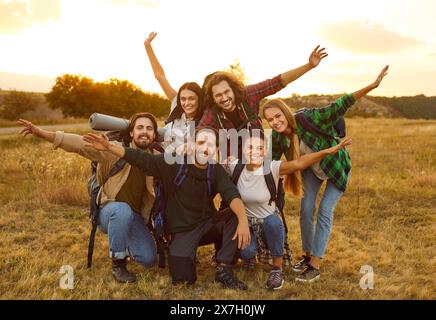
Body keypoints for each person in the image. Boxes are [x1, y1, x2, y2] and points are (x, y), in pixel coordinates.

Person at [82, 127, 252, 290]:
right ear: (192, 144)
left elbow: (232, 194)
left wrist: (243, 221)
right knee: (183, 279)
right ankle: (184, 255)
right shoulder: (173, 163)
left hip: (207, 225)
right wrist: (109, 147)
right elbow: (141, 158)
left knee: (235, 214)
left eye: (210, 144)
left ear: (216, 149)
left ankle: (223, 268)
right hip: (181, 230)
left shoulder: (215, 170)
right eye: (201, 142)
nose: (205, 148)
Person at [262, 65, 389, 282]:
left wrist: (372, 85)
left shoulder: (310, 118)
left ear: (284, 111)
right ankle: (307, 255)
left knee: (324, 211)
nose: (275, 122)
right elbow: (268, 164)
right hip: (313, 170)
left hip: (336, 168)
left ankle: (315, 266)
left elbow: (341, 104)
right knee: (306, 208)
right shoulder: (278, 137)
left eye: (277, 116)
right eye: (270, 120)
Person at [17, 113, 160, 283]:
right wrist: (41, 133)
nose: (144, 132)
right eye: (140, 128)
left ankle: (123, 239)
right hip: (110, 209)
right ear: (131, 133)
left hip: (134, 216)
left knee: (149, 259)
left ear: (154, 135)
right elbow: (79, 144)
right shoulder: (113, 149)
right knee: (122, 210)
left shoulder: (155, 157)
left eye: (149, 128)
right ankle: (118, 264)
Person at [227, 130, 352, 290]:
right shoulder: (234, 166)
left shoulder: (272, 168)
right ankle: (250, 257)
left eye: (259, 148)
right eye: (250, 147)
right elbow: (212, 166)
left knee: (273, 222)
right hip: (247, 225)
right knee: (246, 252)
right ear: (243, 150)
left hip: (268, 223)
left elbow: (300, 163)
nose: (254, 152)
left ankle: (277, 270)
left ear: (265, 151)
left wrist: (330, 150)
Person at [199, 45, 329, 133]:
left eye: (226, 92)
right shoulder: (212, 112)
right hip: (233, 164)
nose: (224, 98)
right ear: (213, 99)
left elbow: (279, 81)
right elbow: (200, 130)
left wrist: (309, 65)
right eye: (218, 95)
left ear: (233, 89)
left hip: (259, 155)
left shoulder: (248, 94)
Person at [144, 32, 205, 154]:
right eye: (183, 99)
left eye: (191, 98)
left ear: (199, 99)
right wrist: (147, 46)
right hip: (161, 155)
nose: (186, 103)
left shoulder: (205, 119)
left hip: (183, 164)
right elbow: (159, 76)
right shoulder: (176, 106)